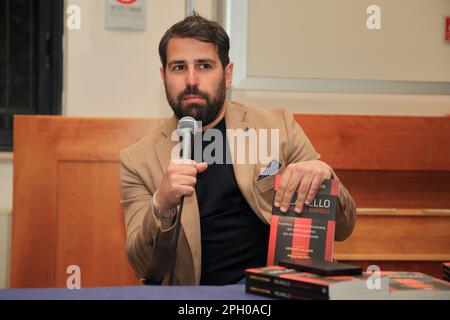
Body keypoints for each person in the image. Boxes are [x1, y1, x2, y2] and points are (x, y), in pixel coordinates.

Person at [119, 14, 356, 286]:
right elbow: (143, 267)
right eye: (179, 67)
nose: (192, 80)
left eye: (205, 66)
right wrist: (162, 204)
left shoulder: (278, 128)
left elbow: (344, 227)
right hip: (195, 301)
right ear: (163, 76)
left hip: (272, 292)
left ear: (228, 74)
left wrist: (324, 176)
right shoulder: (138, 160)